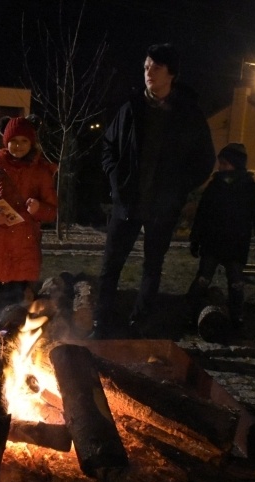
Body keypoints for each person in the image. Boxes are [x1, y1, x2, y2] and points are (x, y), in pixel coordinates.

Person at [92, 43, 216, 338]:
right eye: (146, 66)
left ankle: (140, 324)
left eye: (156, 67)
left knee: (152, 267)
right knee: (111, 265)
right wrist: (115, 178)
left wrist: (178, 189)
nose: (148, 72)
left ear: (171, 73)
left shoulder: (188, 113)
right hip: (127, 203)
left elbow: (204, 160)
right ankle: (101, 323)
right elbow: (108, 146)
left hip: (162, 208)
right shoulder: (131, 108)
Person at [0, 115, 58, 316]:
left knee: (18, 306)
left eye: (24, 141)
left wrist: (38, 208)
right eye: (13, 140)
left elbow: (52, 211)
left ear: (31, 143)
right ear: (6, 141)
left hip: (24, 249)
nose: (18, 146)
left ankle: (14, 335)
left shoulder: (41, 172)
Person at [186, 142, 255, 329]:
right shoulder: (215, 186)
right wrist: (195, 239)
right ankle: (191, 313)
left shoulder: (251, 189)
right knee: (203, 279)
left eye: (225, 163)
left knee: (236, 283)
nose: (221, 167)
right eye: (220, 163)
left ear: (236, 163)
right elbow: (202, 214)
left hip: (236, 243)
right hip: (213, 242)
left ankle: (236, 318)